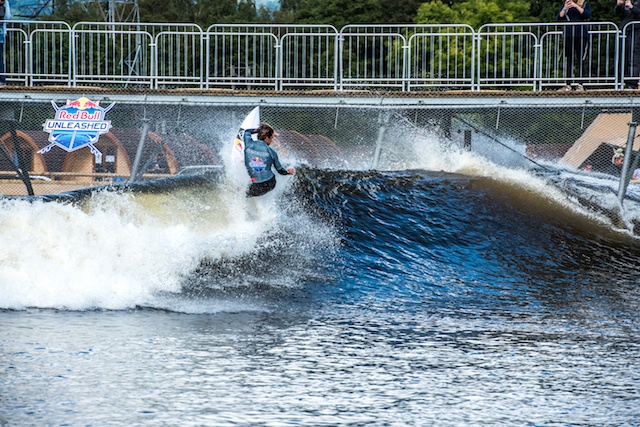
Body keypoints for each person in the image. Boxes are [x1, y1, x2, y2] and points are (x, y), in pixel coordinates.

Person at [243, 122, 294, 197]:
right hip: (269, 184)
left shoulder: (248, 143)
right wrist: (288, 172)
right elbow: (280, 170)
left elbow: (247, 131)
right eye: (271, 138)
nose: (272, 140)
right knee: (249, 194)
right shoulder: (271, 152)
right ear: (267, 137)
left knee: (244, 195)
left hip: (256, 185)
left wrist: (259, 130)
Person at [557, 0, 591, 91]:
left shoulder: (584, 4)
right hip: (569, 35)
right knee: (569, 59)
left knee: (580, 59)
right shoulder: (566, 4)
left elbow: (586, 15)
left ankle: (580, 84)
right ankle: (568, 84)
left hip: (581, 35)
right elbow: (559, 18)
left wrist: (576, 6)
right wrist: (565, 8)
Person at [615, 0, 640, 89]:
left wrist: (632, 7)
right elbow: (616, 13)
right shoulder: (625, 1)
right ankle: (621, 81)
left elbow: (638, 13)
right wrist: (618, 5)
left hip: (635, 30)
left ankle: (632, 82)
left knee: (633, 57)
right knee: (622, 57)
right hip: (624, 31)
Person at [0, 0, 10, 85]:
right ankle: (2, 79)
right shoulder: (5, 2)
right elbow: (8, 17)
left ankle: (2, 79)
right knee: (0, 57)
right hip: (1, 33)